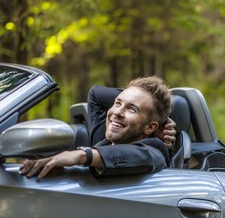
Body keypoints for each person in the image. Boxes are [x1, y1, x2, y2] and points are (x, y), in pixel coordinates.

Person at [20, 76, 174, 179]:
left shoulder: (155, 152)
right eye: (117, 103)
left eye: (131, 109)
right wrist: (160, 119)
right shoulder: (105, 140)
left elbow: (134, 155)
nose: (117, 112)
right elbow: (96, 93)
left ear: (149, 128)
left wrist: (77, 155)